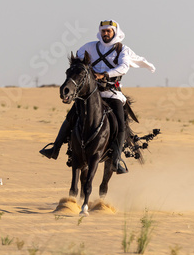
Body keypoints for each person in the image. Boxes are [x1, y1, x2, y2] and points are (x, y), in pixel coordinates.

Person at [39, 20, 155, 174]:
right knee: (71, 117)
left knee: (121, 124)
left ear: (115, 32)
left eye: (108, 31)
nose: (105, 34)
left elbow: (123, 67)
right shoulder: (89, 47)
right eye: (103, 31)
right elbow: (78, 61)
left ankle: (116, 160)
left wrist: (104, 74)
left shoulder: (122, 50)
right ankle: (55, 148)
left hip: (112, 93)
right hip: (90, 93)